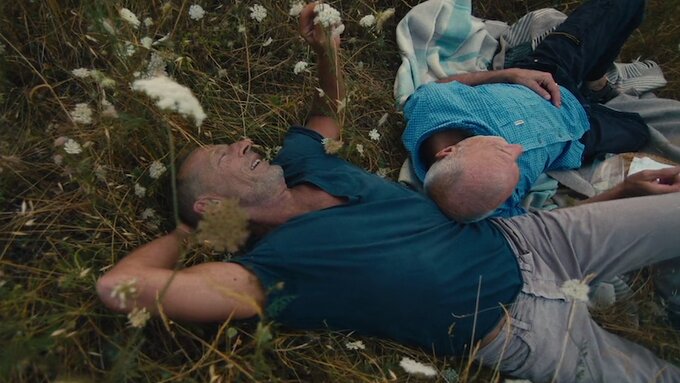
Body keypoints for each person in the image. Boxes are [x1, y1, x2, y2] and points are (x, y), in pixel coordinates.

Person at [97, 2, 680, 382]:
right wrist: (183, 232)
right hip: (513, 328)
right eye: (227, 156)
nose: (246, 141)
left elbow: (328, 117)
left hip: (538, 240)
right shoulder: (265, 272)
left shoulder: (301, 165)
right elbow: (121, 290)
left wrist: (325, 51)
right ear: (211, 206)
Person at [401, 0, 661, 222]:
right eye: (518, 166)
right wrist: (624, 189)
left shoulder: (434, 106)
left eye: (502, 149)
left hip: (546, 75)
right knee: (642, 132)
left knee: (623, 5)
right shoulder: (489, 205)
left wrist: (511, 74)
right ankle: (595, 95)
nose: (518, 150)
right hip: (580, 133)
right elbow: (546, 228)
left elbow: (439, 86)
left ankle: (594, 79)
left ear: (449, 151)